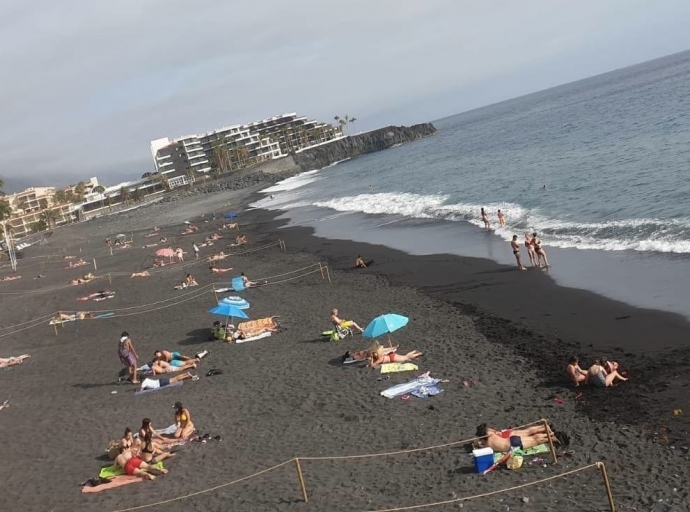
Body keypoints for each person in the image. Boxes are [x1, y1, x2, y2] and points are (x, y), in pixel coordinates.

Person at [474, 423, 555, 452]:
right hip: (511, 438)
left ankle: (550, 437)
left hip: (512, 445)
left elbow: (477, 443)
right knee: (530, 434)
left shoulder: (487, 445)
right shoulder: (491, 434)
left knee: (535, 439)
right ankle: (547, 431)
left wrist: (478, 441)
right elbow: (492, 431)